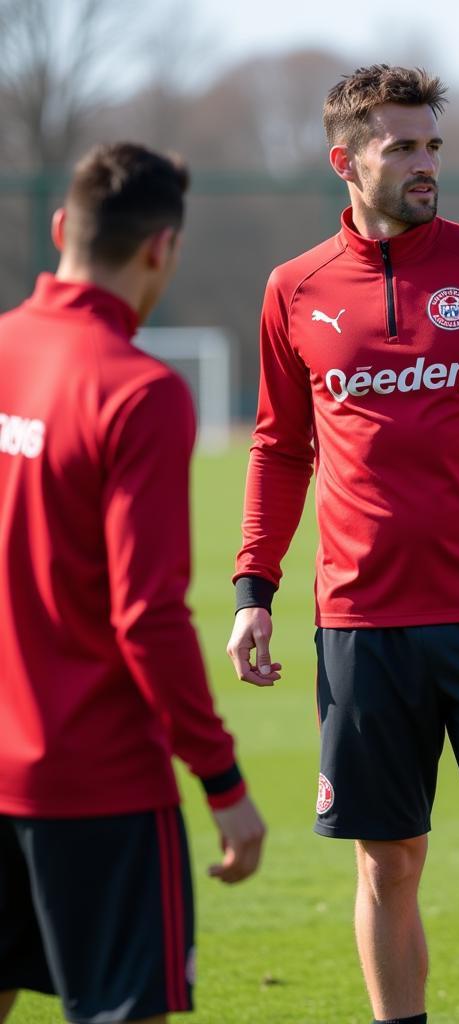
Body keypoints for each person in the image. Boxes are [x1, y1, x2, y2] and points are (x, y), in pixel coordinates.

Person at [225, 65, 459, 1024]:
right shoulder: (293, 289)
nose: (427, 163)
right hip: (362, 623)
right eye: (404, 147)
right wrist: (253, 589)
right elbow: (278, 448)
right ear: (346, 160)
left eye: (433, 144)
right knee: (389, 862)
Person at [0, 143, 266, 1024]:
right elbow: (147, 616)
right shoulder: (138, 391)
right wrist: (222, 782)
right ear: (162, 248)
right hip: (95, 784)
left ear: (58, 229)